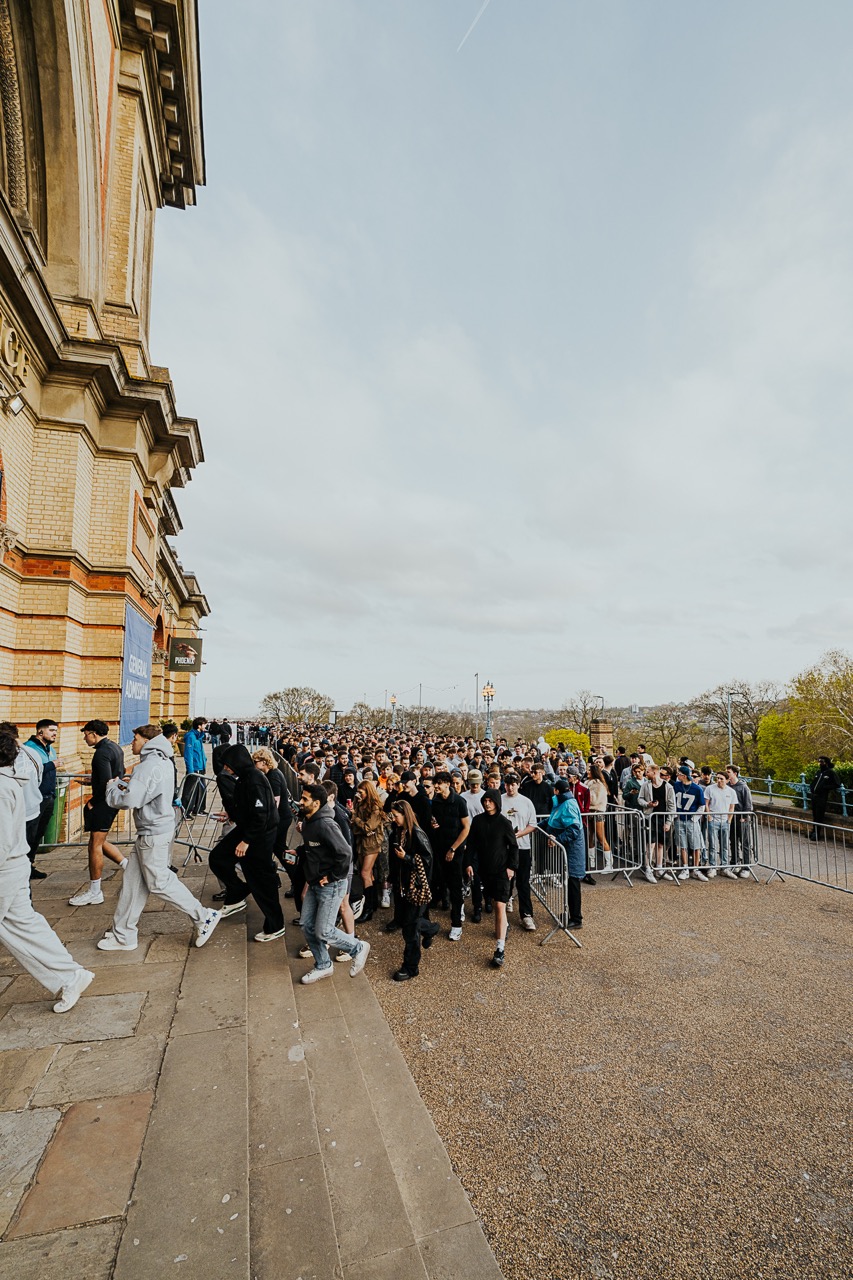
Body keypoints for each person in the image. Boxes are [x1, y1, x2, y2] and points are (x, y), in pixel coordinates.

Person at [97, 725, 220, 951]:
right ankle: (123, 934)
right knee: (133, 883)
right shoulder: (163, 761)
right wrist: (125, 784)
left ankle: (203, 915)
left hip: (153, 831)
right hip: (155, 829)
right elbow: (147, 792)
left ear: (146, 740)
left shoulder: (148, 766)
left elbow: (130, 800)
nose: (132, 742)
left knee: (159, 882)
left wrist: (112, 789)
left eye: (135, 738)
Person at [0, 732, 95, 1012]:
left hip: (6, 868)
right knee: (26, 926)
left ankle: (70, 975)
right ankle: (70, 975)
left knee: (25, 926)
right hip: (13, 866)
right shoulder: (9, 782)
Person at [208, 744, 285, 942]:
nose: (226, 768)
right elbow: (247, 807)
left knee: (260, 878)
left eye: (228, 764)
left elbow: (261, 816)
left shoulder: (255, 779)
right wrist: (231, 814)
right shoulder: (244, 778)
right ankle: (237, 893)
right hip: (249, 829)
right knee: (218, 858)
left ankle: (275, 925)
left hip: (260, 835)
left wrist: (245, 841)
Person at [297, 783, 370, 983]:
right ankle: (323, 965)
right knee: (307, 925)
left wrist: (331, 877)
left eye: (304, 799)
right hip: (315, 881)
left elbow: (345, 853)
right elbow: (318, 849)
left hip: (330, 884)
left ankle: (358, 947)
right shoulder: (309, 820)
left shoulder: (326, 824)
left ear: (317, 803)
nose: (300, 802)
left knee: (324, 930)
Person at [70, 720, 128, 907]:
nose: (84, 737)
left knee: (94, 845)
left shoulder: (101, 753)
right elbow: (118, 773)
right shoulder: (115, 747)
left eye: (85, 734)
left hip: (103, 803)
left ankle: (95, 892)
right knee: (99, 841)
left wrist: (92, 802)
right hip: (112, 800)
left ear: (93, 733)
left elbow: (105, 781)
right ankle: (128, 866)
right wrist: (91, 782)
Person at [464, 789, 518, 968]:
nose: (487, 803)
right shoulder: (478, 821)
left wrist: (511, 867)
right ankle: (504, 926)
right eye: (485, 800)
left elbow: (513, 846)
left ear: (496, 802)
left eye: (490, 800)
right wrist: (469, 863)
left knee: (500, 906)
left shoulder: (504, 822)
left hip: (502, 870)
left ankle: (499, 949)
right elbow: (471, 844)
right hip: (485, 870)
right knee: (495, 905)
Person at [387, 798, 439, 981]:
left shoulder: (417, 834)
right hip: (403, 887)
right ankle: (430, 928)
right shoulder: (398, 832)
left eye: (396, 816)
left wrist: (407, 857)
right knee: (408, 922)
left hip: (415, 888)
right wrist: (391, 878)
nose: (394, 819)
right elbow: (394, 861)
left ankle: (410, 967)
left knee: (410, 929)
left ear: (405, 815)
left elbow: (427, 860)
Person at [429, 772, 471, 941]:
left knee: (455, 888)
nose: (436, 786)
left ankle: (456, 925)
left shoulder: (460, 801)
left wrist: (453, 849)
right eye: (435, 783)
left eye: (438, 783)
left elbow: (466, 827)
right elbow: (435, 824)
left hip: (455, 852)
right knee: (440, 882)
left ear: (447, 783)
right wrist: (435, 826)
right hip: (439, 849)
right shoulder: (436, 802)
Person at [0, 723, 45, 880]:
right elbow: (39, 777)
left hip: (20, 812)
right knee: (25, 850)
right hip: (32, 808)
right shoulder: (32, 752)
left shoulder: (7, 759)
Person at [500, 774, 538, 931]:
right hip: (503, 847)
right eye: (508, 784)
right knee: (505, 879)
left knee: (523, 881)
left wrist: (519, 834)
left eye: (513, 784)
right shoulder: (500, 799)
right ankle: (504, 907)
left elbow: (533, 825)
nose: (510, 787)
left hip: (522, 846)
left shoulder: (526, 802)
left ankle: (526, 914)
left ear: (518, 785)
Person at [546, 778, 585, 927]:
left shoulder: (568, 805)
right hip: (569, 849)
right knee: (569, 883)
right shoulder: (563, 802)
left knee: (573, 883)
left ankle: (576, 918)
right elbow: (552, 821)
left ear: (556, 791)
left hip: (573, 851)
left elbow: (573, 829)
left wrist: (558, 839)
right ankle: (571, 913)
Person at [350, 779, 387, 922]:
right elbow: (357, 828)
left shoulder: (375, 807)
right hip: (362, 842)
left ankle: (369, 909)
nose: (359, 794)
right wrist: (359, 824)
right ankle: (371, 904)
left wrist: (356, 819)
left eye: (361, 792)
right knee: (367, 874)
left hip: (372, 844)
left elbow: (367, 828)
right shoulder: (359, 804)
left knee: (365, 873)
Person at [24, 719, 61, 860]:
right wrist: (51, 765)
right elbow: (31, 771)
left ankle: (30, 864)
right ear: (40, 731)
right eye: (51, 731)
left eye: (56, 731)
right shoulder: (29, 748)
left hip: (49, 796)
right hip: (35, 797)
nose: (55, 734)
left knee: (39, 833)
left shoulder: (51, 749)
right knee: (30, 833)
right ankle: (24, 866)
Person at [638, 764, 676, 880]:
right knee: (651, 843)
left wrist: (669, 821)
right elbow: (640, 799)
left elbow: (671, 805)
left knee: (661, 844)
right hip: (651, 817)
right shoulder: (646, 785)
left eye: (648, 771)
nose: (646, 773)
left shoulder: (668, 787)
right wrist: (648, 804)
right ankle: (648, 867)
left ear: (654, 772)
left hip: (663, 817)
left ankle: (659, 867)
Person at [673, 763, 707, 881]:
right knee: (682, 845)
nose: (677, 776)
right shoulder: (676, 786)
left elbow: (701, 806)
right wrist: (676, 815)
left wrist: (694, 818)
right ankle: (685, 867)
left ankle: (696, 868)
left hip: (691, 820)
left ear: (684, 776)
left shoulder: (697, 789)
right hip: (680, 819)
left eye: (679, 774)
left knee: (696, 845)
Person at [704, 771, 738, 878]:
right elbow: (706, 803)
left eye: (721, 779)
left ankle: (724, 866)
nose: (719, 780)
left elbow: (732, 807)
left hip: (725, 821)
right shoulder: (710, 789)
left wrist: (729, 819)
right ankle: (712, 866)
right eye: (717, 778)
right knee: (713, 845)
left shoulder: (731, 792)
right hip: (713, 820)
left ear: (727, 780)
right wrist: (709, 816)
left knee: (725, 845)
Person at [726, 765, 754, 875]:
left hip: (741, 818)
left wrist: (745, 817)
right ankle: (735, 862)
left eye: (728, 772)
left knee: (745, 843)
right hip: (731, 818)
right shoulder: (727, 786)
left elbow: (748, 804)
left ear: (735, 773)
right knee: (733, 841)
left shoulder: (743, 787)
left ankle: (746, 866)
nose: (727, 774)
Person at [181, 717, 208, 816]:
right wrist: (190, 769)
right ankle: (186, 811)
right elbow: (189, 754)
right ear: (199, 726)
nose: (205, 726)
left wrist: (204, 761)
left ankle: (199, 809)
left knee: (202, 789)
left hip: (201, 767)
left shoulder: (199, 736)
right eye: (204, 724)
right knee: (190, 791)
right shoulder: (191, 736)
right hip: (194, 767)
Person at [809, 757, 839, 840]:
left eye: (822, 762)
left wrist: (824, 788)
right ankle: (813, 831)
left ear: (826, 763)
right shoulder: (819, 772)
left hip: (822, 797)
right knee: (815, 815)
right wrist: (812, 788)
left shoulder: (830, 773)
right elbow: (813, 782)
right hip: (814, 796)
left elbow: (836, 784)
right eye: (819, 761)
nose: (820, 763)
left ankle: (817, 833)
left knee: (819, 816)